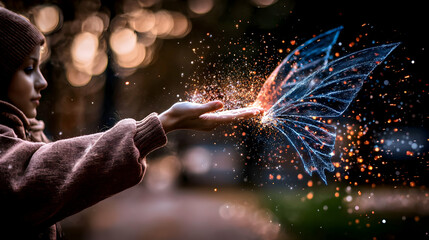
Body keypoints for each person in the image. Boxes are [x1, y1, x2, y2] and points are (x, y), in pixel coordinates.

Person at [0, 7, 262, 239]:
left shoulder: (30, 134)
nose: (42, 82)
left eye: (39, 68)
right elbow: (31, 179)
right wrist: (163, 123)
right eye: (28, 69)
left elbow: (58, 167)